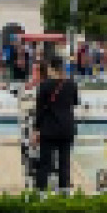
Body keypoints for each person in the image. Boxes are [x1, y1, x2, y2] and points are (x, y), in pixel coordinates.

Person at [31, 58, 79, 192]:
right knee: (65, 163)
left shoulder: (45, 85)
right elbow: (74, 102)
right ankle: (64, 193)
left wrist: (36, 130)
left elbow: (39, 109)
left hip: (49, 128)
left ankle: (41, 194)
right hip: (66, 128)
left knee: (44, 163)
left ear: (51, 69)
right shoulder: (71, 84)